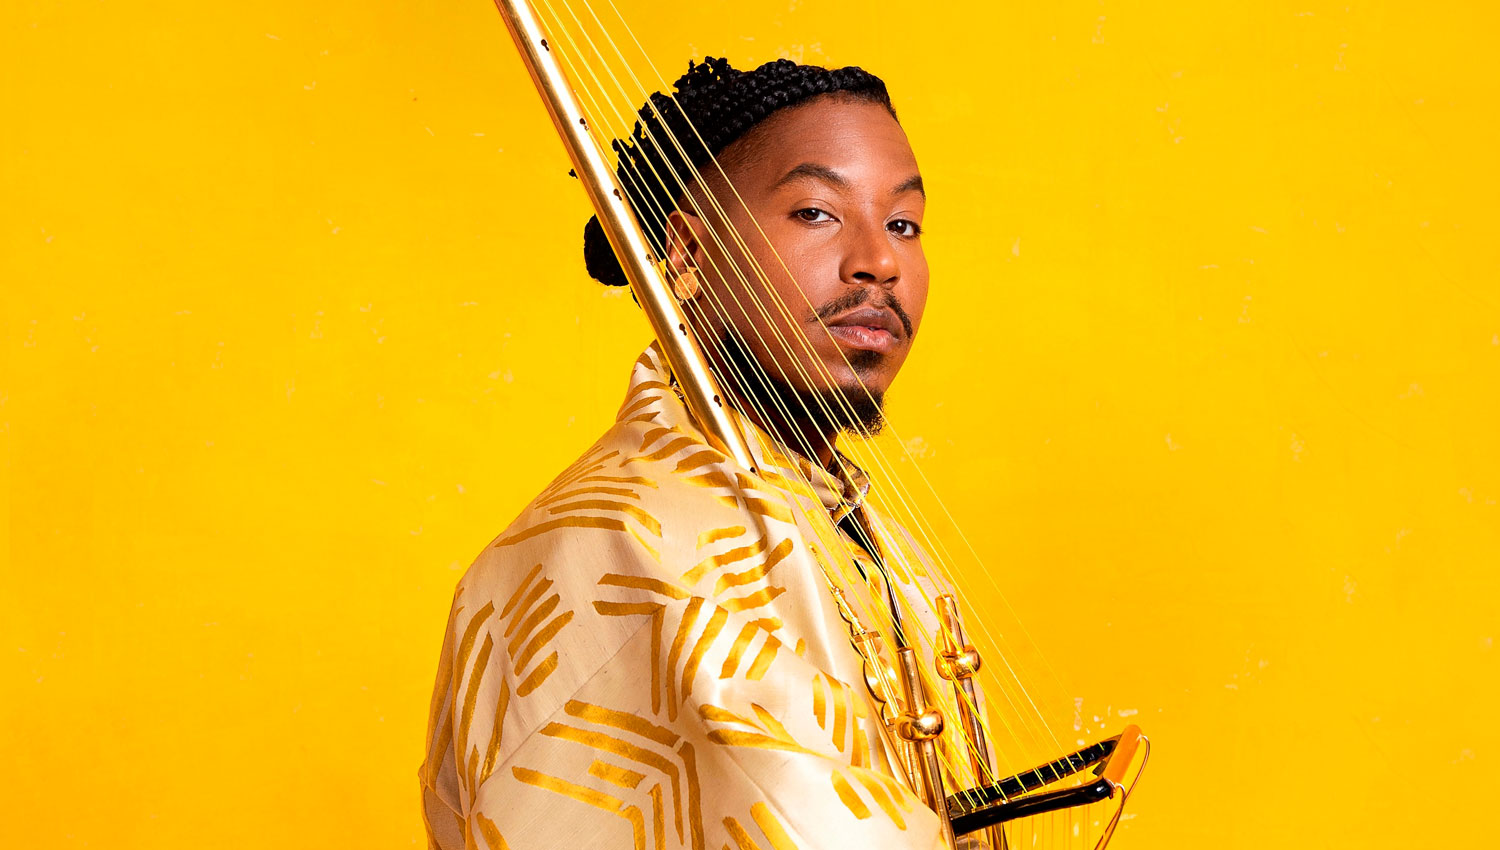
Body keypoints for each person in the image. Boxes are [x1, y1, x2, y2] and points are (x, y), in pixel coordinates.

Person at [419, 56, 973, 850]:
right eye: (816, 212)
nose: (879, 263)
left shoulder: (852, 533)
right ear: (686, 252)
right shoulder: (616, 544)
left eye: (902, 225)